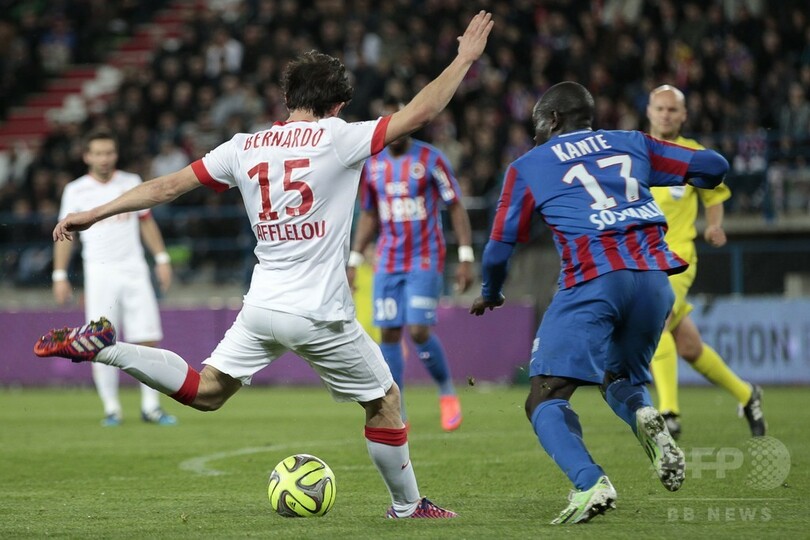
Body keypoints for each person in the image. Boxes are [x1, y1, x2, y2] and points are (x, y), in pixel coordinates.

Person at [35, 11, 494, 519]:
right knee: (384, 399)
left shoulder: (244, 147)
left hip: (262, 306)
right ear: (337, 104)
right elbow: (421, 112)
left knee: (206, 391)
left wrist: (94, 213)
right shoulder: (339, 137)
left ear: (288, 97)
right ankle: (408, 507)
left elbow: (165, 187)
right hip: (318, 312)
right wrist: (463, 59)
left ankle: (109, 349)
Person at [470, 81, 729, 524]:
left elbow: (498, 248)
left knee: (544, 396)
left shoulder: (530, 164)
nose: (535, 135)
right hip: (654, 281)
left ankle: (590, 482)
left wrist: (491, 292)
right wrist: (684, 179)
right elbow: (714, 166)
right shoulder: (633, 143)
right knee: (618, 377)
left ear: (553, 120)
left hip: (594, 278)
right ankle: (644, 413)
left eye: (537, 126)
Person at [646, 84, 766, 439]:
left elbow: (714, 195)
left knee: (654, 322)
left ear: (683, 115)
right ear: (649, 111)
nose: (665, 115)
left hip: (677, 256)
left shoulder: (693, 154)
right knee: (688, 346)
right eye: (660, 108)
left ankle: (669, 413)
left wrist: (714, 226)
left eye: (672, 109)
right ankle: (747, 395)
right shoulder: (637, 151)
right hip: (641, 258)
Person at [347, 98, 474, 432]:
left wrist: (465, 255)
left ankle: (446, 392)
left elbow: (455, 205)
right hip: (388, 259)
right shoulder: (373, 165)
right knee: (389, 331)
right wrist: (355, 259)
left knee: (418, 330)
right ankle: (398, 409)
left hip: (424, 256)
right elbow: (369, 214)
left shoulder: (431, 159)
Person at [53, 129, 177, 427]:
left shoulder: (131, 182)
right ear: (87, 156)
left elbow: (146, 221)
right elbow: (65, 235)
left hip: (134, 270)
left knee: (147, 338)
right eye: (98, 153)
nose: (104, 158)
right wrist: (59, 274)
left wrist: (161, 258)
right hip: (99, 273)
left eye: (108, 152)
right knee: (99, 341)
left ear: (116, 154)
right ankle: (112, 408)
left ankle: (151, 407)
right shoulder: (76, 190)